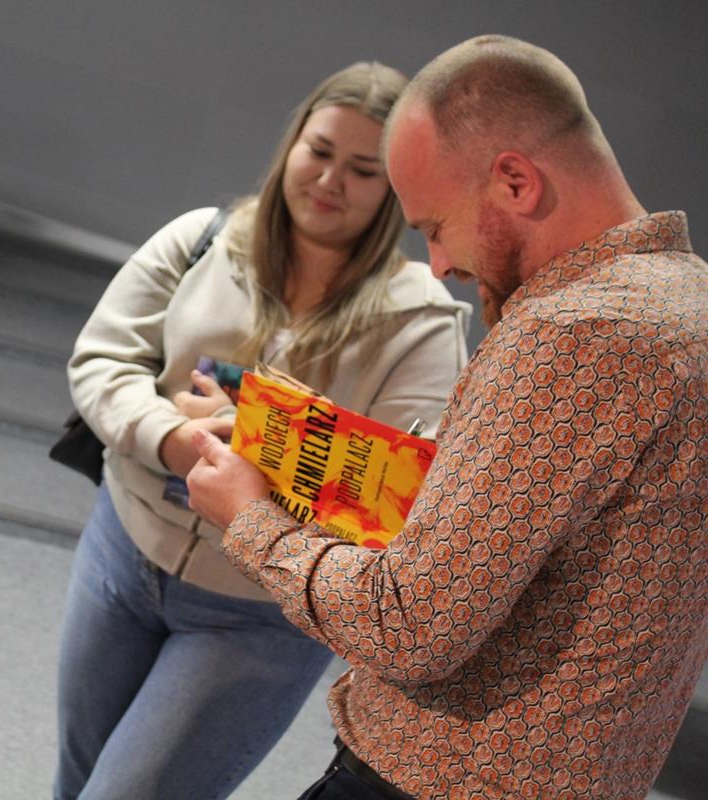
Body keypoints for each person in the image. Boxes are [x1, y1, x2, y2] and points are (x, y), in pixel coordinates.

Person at [187, 34, 708, 800]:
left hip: (440, 780)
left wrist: (247, 518)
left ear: (516, 182)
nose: (438, 264)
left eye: (434, 227)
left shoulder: (575, 332)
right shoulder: (687, 301)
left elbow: (410, 624)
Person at [54, 62, 471, 800]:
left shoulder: (422, 319)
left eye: (363, 170)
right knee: (75, 782)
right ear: (291, 145)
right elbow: (102, 361)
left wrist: (249, 441)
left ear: (395, 188)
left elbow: (404, 493)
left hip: (258, 612)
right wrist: (174, 438)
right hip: (124, 547)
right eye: (320, 152)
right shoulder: (202, 238)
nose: (331, 181)